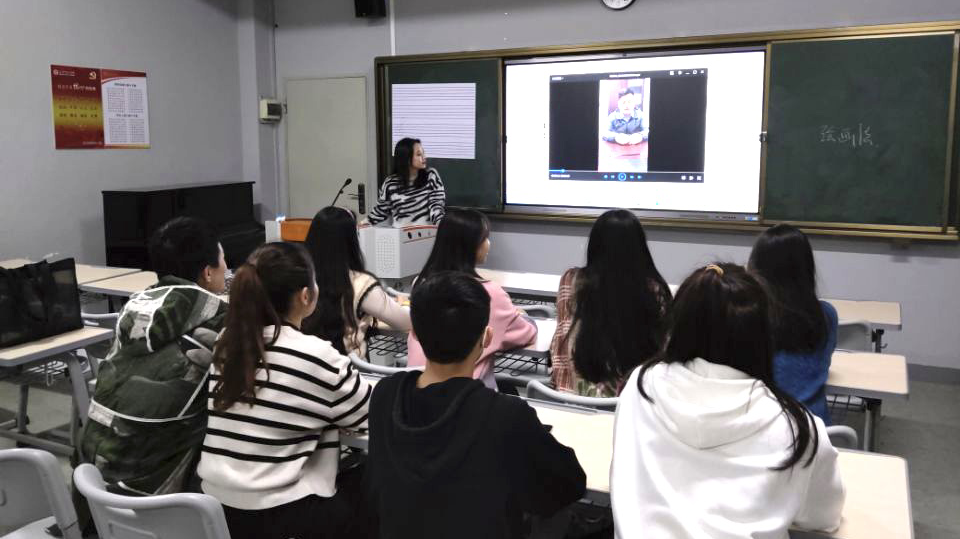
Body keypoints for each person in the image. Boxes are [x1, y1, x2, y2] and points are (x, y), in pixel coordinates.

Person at [610, 263, 845, 539]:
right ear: (764, 336)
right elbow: (824, 516)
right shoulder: (798, 429)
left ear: (678, 326)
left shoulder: (641, 387)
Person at [367, 271, 586, 539]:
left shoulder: (385, 395)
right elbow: (570, 483)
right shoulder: (505, 416)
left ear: (415, 334)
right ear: (486, 337)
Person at [65, 217, 229, 536]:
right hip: (151, 497)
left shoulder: (134, 309)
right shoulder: (221, 322)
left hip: (93, 487)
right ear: (208, 273)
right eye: (224, 261)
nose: (227, 268)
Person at [197, 242, 372, 539]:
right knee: (374, 483)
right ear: (305, 296)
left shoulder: (228, 342)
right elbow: (369, 415)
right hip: (280, 514)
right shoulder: (316, 355)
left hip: (217, 510)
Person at [406, 208, 537, 389]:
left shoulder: (421, 284)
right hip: (465, 394)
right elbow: (527, 333)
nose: (488, 244)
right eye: (485, 238)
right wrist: (521, 316)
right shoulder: (488, 293)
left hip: (418, 387)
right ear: (470, 245)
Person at [549, 209, 671, 397]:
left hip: (571, 398)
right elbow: (663, 352)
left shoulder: (571, 280)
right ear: (639, 247)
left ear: (595, 245)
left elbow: (562, 339)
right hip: (634, 400)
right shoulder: (655, 290)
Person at [749, 224, 838, 425]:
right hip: (816, 428)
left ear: (756, 268)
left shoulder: (752, 315)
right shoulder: (827, 315)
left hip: (764, 426)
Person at [302, 206, 411, 357]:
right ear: (351, 241)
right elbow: (406, 322)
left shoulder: (299, 275)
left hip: (304, 363)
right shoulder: (360, 283)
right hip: (347, 367)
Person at [367, 137, 446, 227]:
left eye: (423, 153)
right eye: (419, 154)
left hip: (425, 232)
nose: (424, 157)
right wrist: (363, 223)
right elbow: (380, 211)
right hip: (400, 233)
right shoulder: (390, 183)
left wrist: (443, 227)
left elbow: (437, 207)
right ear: (407, 159)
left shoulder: (431, 176)